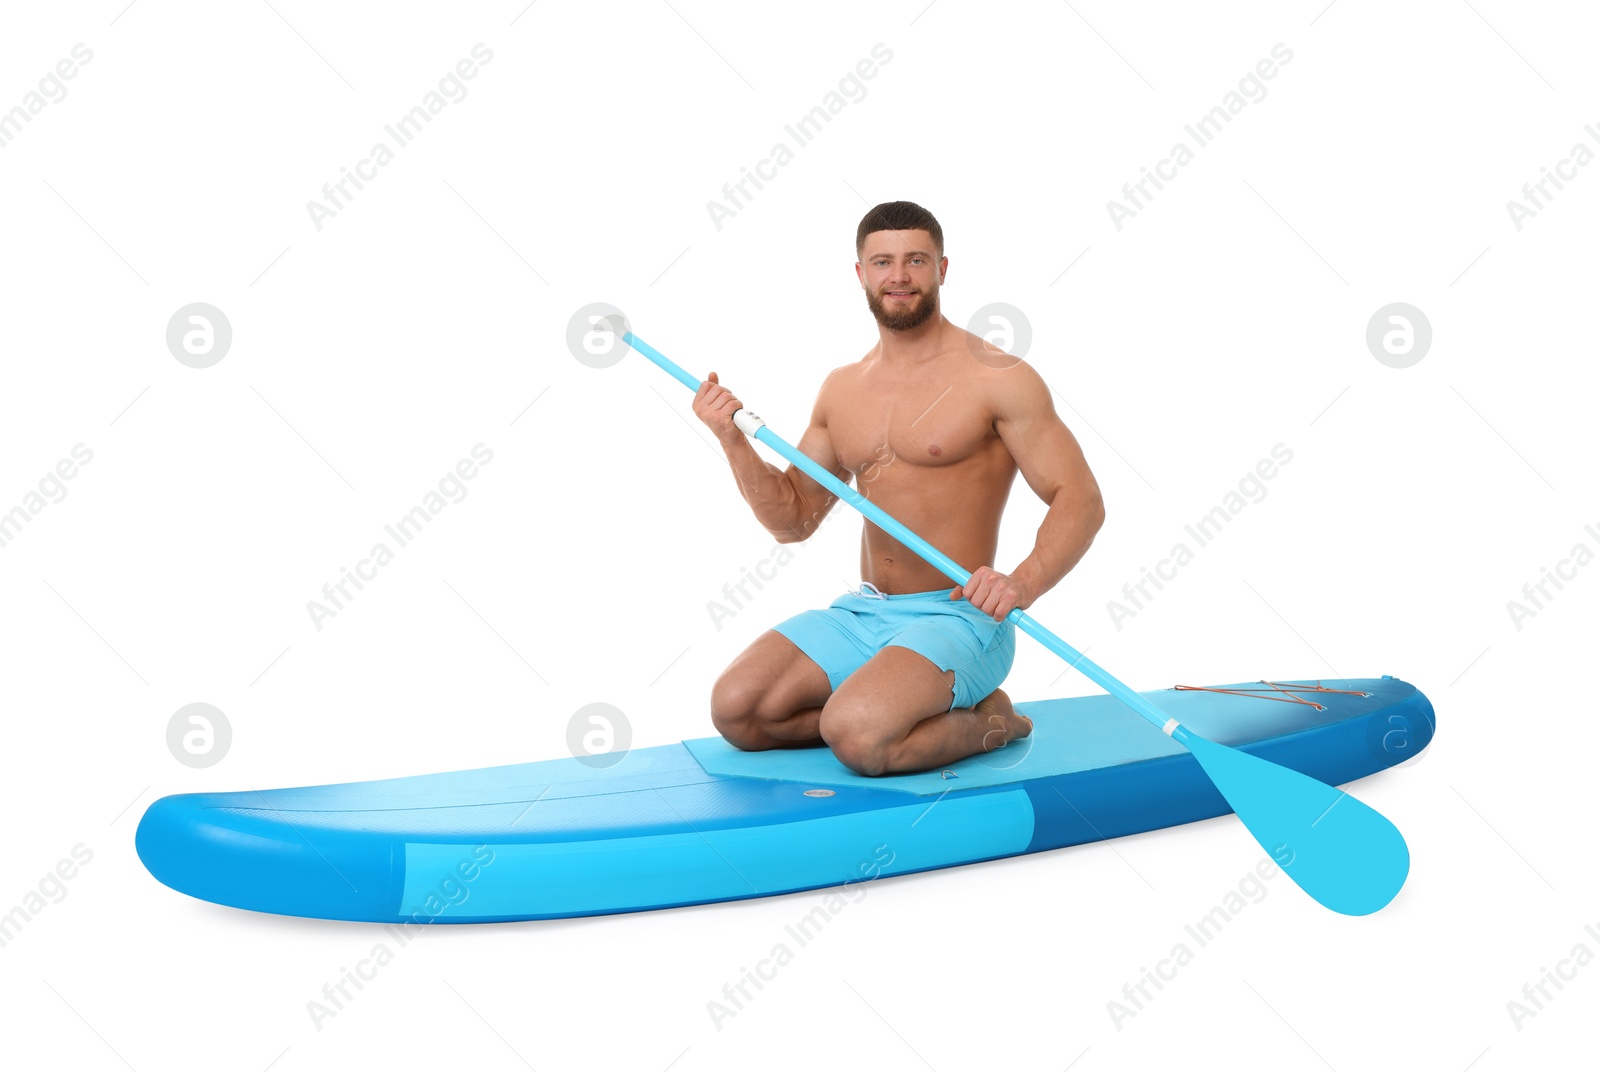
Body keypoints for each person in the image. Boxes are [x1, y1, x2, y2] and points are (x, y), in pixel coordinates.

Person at [694, 201, 1105, 776]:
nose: (899, 276)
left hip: (960, 617)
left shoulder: (996, 375)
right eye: (882, 262)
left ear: (942, 268)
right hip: (865, 614)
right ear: (860, 274)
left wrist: (1022, 583)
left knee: (859, 738)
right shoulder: (842, 389)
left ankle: (993, 722)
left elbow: (1080, 497)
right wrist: (732, 439)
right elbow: (793, 521)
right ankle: (889, 707)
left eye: (915, 260)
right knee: (739, 711)